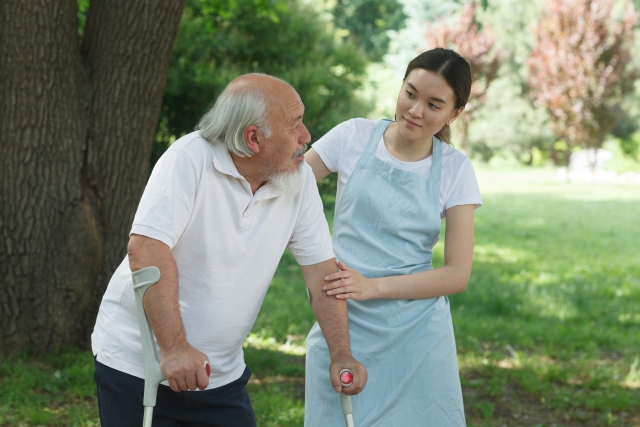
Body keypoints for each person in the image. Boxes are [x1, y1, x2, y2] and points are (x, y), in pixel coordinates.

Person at [91, 73, 366, 427]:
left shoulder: (299, 180)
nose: (306, 137)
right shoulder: (189, 159)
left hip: (221, 374)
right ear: (253, 138)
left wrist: (341, 354)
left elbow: (321, 273)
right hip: (139, 367)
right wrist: (174, 349)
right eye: (295, 124)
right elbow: (146, 249)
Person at [304, 48, 482, 426]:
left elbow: (457, 274)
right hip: (342, 324)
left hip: (418, 338)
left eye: (434, 104)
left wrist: (372, 286)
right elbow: (287, 189)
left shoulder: (454, 169)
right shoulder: (353, 136)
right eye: (410, 93)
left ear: (454, 113)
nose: (416, 111)